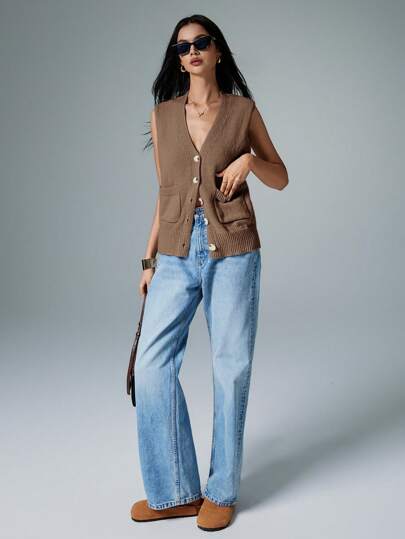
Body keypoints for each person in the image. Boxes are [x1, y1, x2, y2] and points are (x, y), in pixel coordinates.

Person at [130, 14, 288, 531]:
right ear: (177, 60)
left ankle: (221, 491)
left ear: (217, 50)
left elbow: (281, 176)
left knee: (230, 366)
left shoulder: (243, 111)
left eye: (200, 43)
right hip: (176, 251)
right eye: (182, 47)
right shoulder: (162, 115)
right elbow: (165, 194)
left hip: (234, 249)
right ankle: (175, 491)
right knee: (152, 366)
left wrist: (250, 161)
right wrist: (149, 260)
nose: (192, 51)